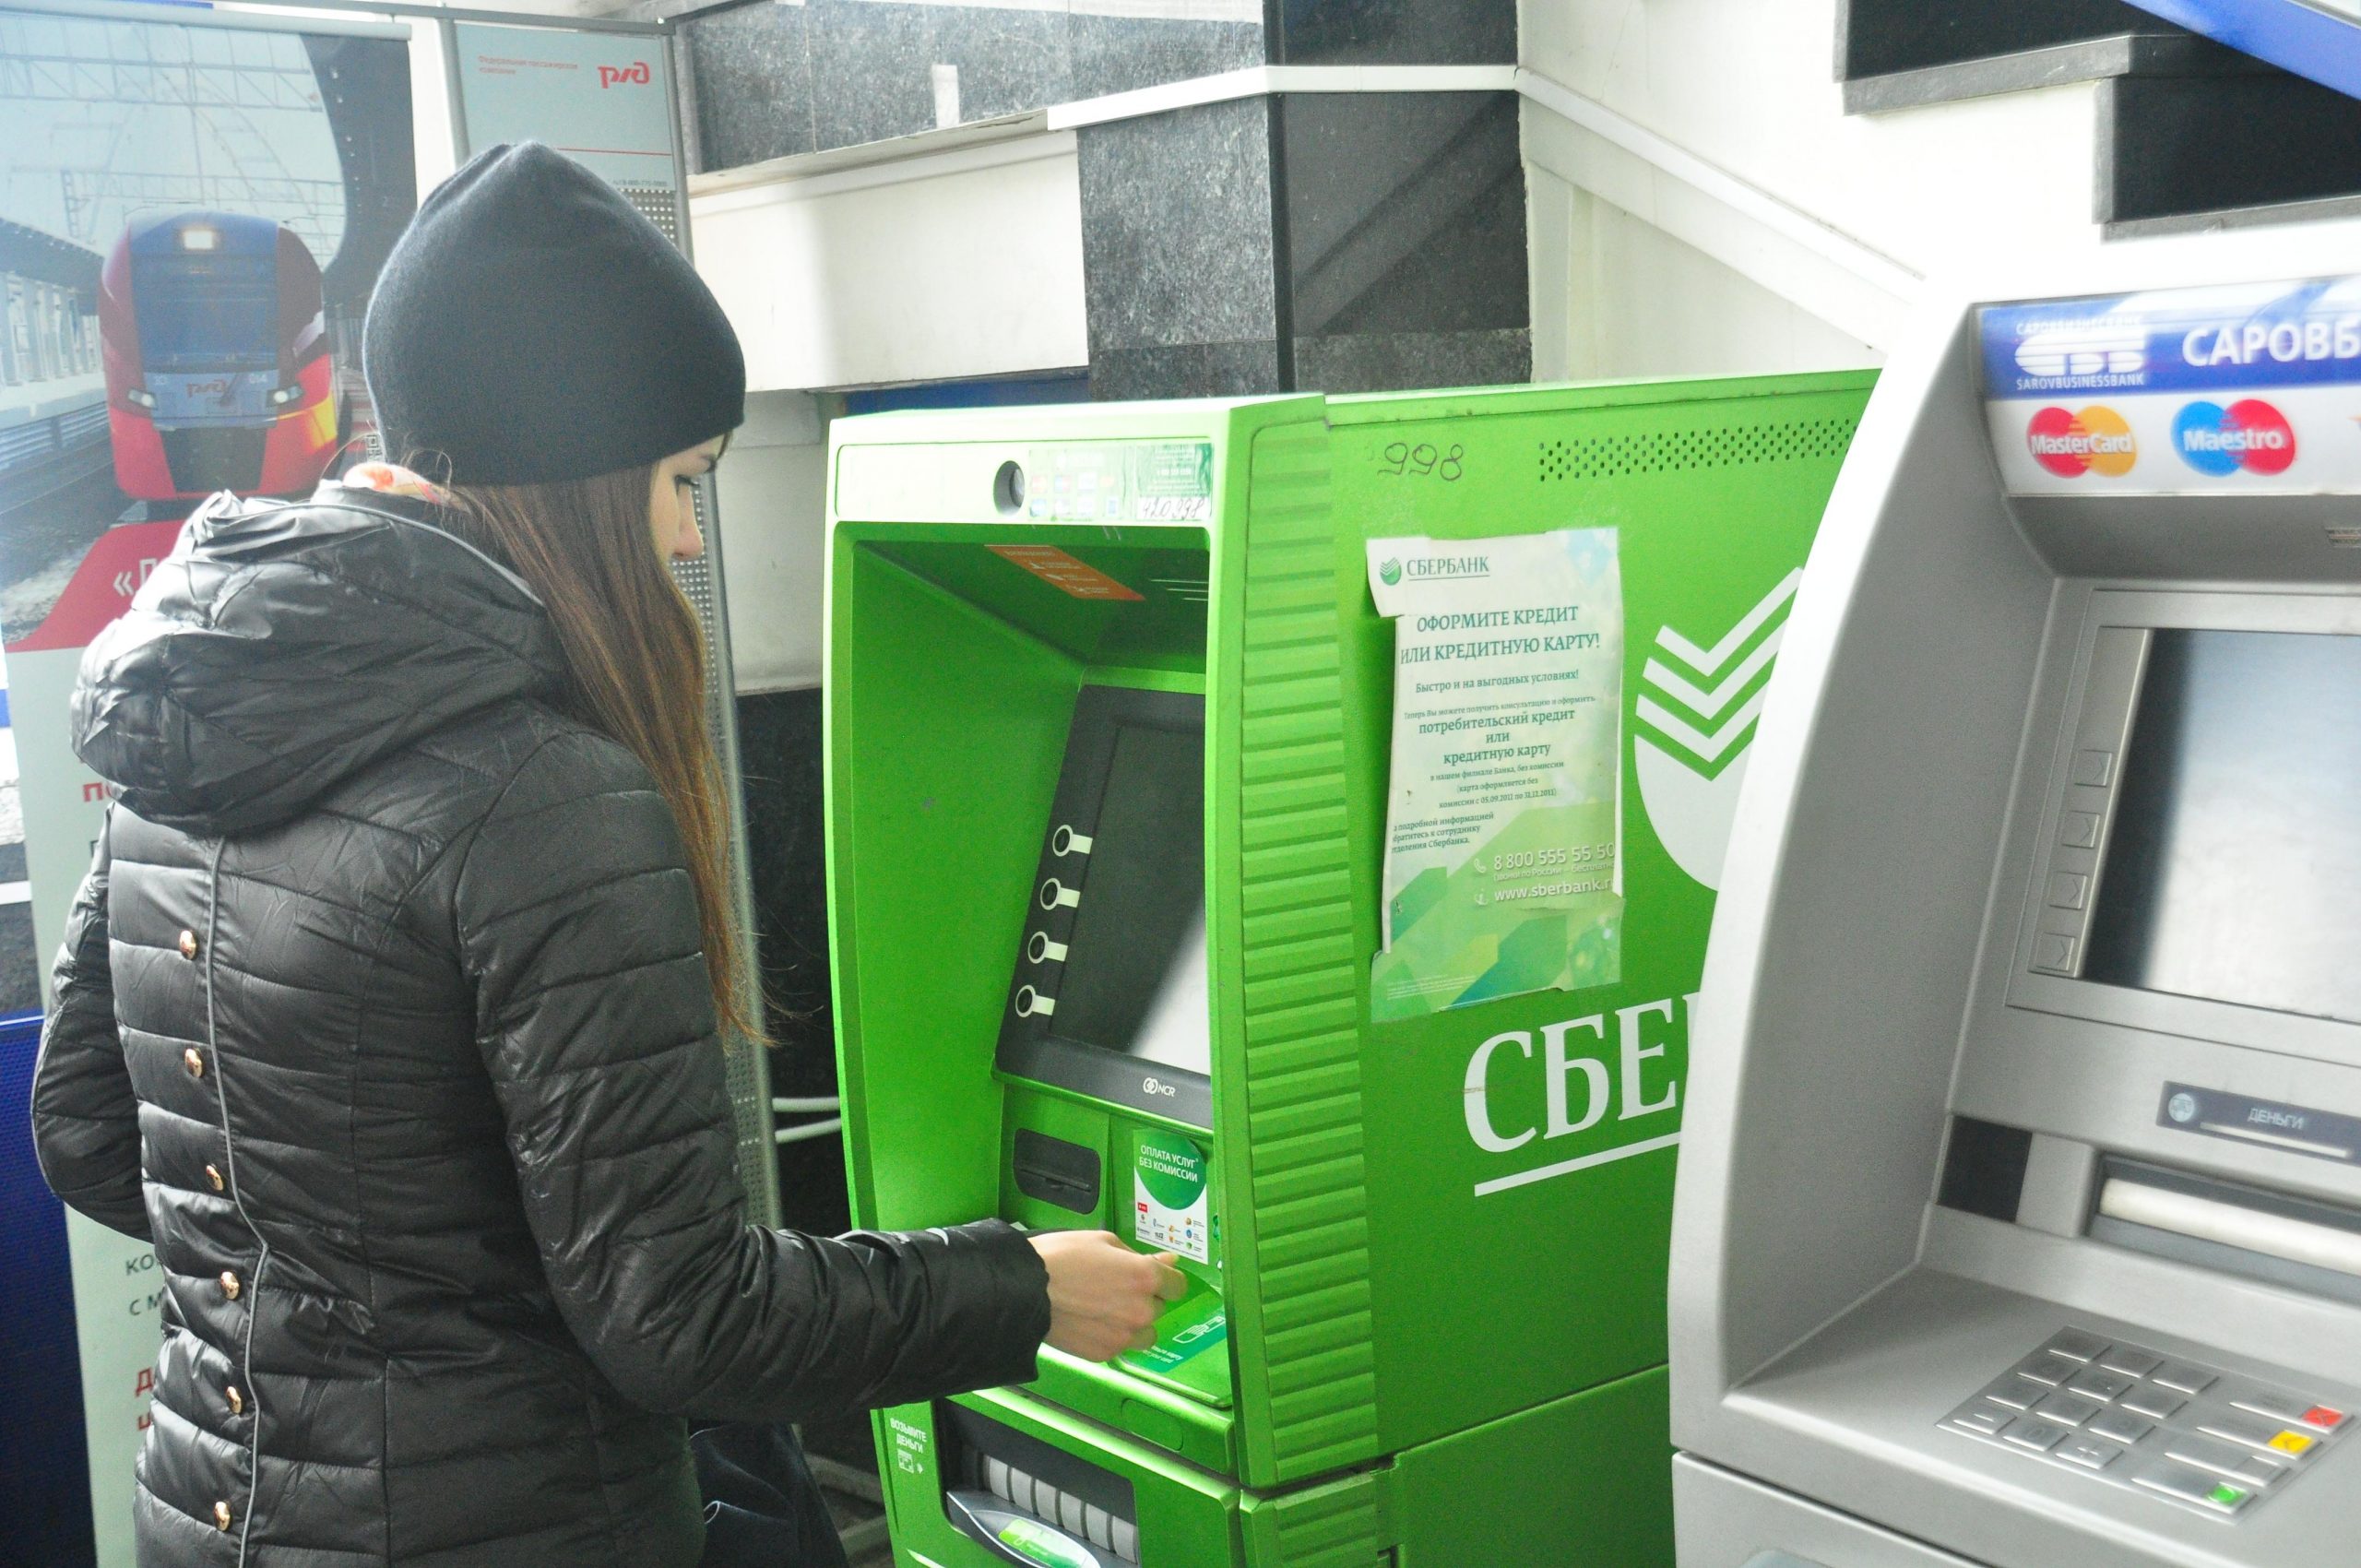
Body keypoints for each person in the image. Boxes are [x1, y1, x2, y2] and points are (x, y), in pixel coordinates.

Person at [31, 142, 1183, 1568]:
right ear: (574, 481)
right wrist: (1023, 1288)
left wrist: (361, 1289)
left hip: (213, 1519)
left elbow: (87, 1127)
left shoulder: (198, 705)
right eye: (682, 482)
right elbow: (683, 1320)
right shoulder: (542, 795)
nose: (691, 539)